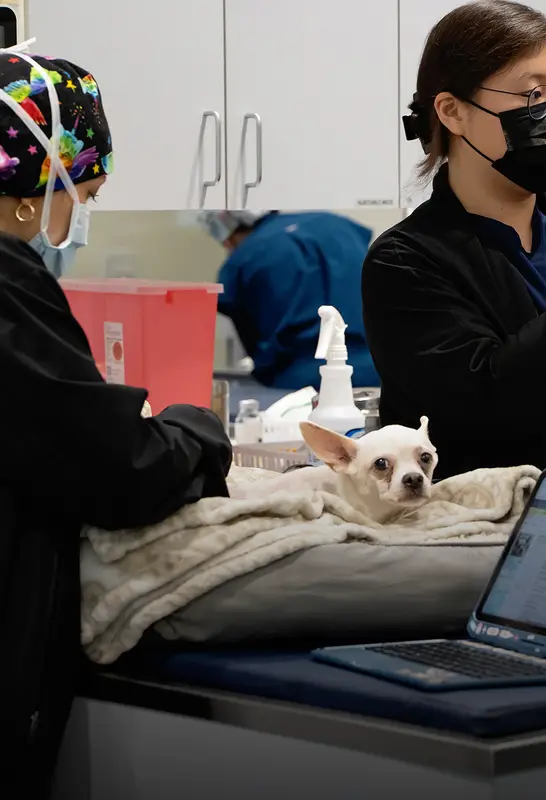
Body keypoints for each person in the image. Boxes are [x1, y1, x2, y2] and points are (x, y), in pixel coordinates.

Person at [0, 51, 231, 792]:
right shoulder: (7, 286)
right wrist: (197, 431)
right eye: (83, 190)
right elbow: (115, 465)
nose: (80, 214)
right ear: (36, 181)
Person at [362, 0, 546, 479]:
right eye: (532, 94)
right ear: (452, 111)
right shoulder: (405, 263)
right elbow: (491, 402)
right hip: (495, 534)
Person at [199, 210, 379, 389]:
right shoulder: (339, 226)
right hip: (377, 369)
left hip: (301, 381)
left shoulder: (247, 254)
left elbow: (241, 318)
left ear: (227, 231)